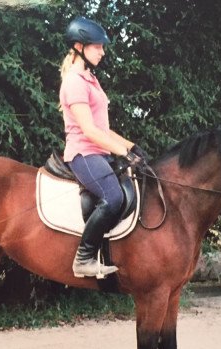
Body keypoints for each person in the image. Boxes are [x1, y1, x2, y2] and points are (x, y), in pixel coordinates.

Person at [60, 16, 148, 278]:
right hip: (82, 153)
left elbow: (103, 128)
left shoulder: (90, 79)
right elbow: (89, 131)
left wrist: (131, 146)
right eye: (97, 46)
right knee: (114, 197)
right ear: (79, 47)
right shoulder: (74, 82)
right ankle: (83, 258)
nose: (102, 52)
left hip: (98, 151)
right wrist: (123, 154)